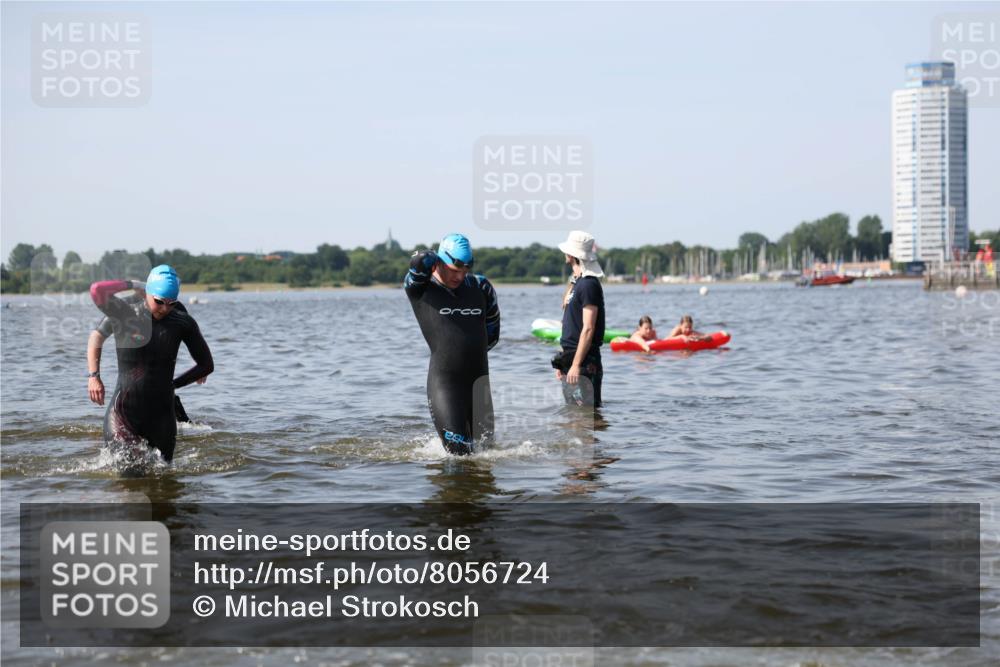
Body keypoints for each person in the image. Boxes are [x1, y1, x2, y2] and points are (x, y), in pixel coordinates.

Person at [87, 265, 213, 463]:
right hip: (123, 414)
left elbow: (206, 364)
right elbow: (97, 290)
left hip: (162, 418)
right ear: (148, 292)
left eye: (171, 303)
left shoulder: (181, 320)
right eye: (159, 302)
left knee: (165, 481)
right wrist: (94, 376)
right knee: (130, 475)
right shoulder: (125, 312)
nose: (165, 308)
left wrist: (175, 384)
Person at [404, 234, 500, 455]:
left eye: (465, 270)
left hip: (479, 382)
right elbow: (417, 263)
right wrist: (429, 257)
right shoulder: (421, 288)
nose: (460, 275)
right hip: (445, 383)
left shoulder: (480, 286)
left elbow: (493, 334)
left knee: (487, 455)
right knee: (459, 455)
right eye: (454, 269)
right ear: (438, 262)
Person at [552, 230, 605, 407]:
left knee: (586, 416)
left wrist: (575, 364)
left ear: (573, 255)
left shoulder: (589, 285)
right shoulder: (577, 283)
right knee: (573, 416)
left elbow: (588, 328)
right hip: (571, 358)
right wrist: (562, 362)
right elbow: (570, 325)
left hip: (583, 361)